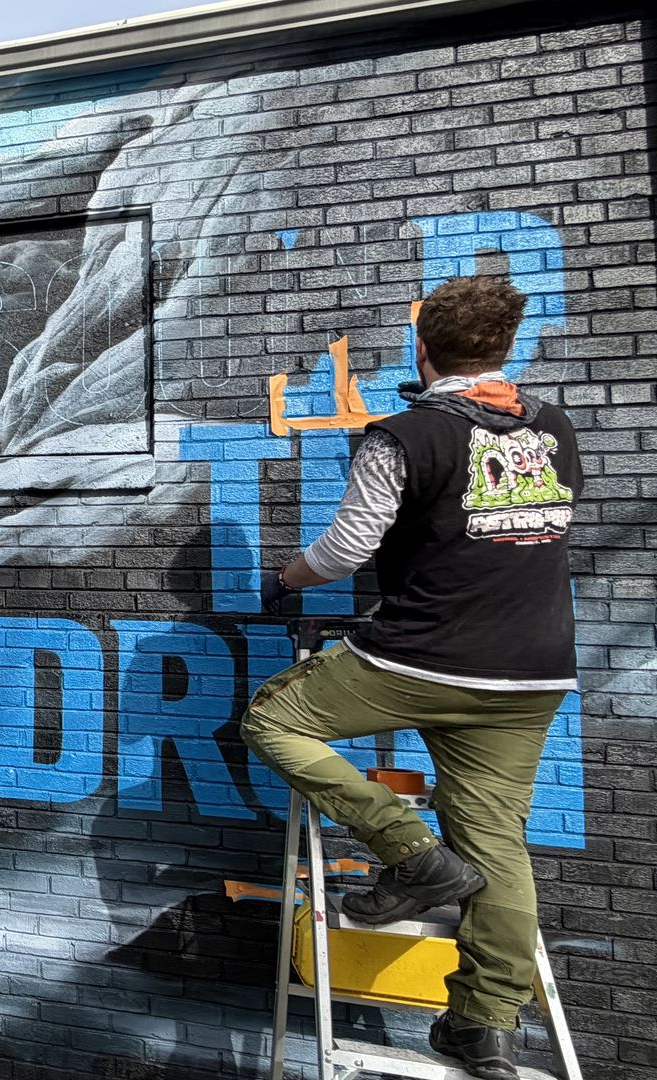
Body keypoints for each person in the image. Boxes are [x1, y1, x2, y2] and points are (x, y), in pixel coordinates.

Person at [241, 276, 580, 1080]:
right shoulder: (553, 428)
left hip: (423, 658)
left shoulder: (403, 436)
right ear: (501, 349)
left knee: (274, 722)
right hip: (531, 674)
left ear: (422, 350)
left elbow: (347, 551)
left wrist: (286, 579)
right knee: (497, 846)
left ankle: (412, 854)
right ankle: (483, 1028)